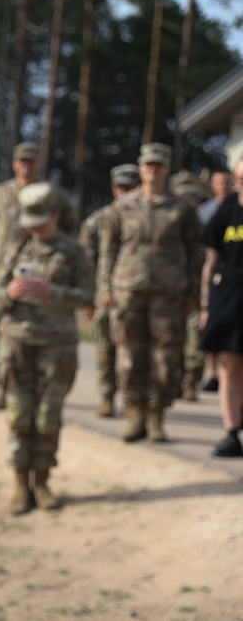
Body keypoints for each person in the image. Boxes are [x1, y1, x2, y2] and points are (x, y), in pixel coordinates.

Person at [0, 182, 94, 514]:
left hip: (57, 345)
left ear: (57, 215)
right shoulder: (15, 249)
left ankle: (42, 482)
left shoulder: (73, 252)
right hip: (17, 343)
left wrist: (53, 293)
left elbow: (88, 296)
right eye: (30, 219)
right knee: (20, 415)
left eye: (41, 219)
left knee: (48, 417)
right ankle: (20, 484)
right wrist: (10, 293)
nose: (34, 226)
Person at [98, 143, 203, 444]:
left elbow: (196, 251)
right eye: (147, 165)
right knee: (130, 354)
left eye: (158, 165)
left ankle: (156, 416)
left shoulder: (181, 207)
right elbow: (108, 249)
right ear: (141, 167)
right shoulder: (122, 206)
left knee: (166, 357)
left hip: (168, 293)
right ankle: (134, 414)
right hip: (128, 289)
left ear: (167, 168)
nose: (152, 169)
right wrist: (105, 286)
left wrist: (194, 290)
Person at [0, 141, 79, 408]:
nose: (26, 165)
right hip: (5, 271)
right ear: (14, 163)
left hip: (44, 271)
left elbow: (70, 228)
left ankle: (41, 388)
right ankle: (5, 386)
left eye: (31, 160)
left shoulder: (53, 195)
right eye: (21, 160)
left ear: (39, 164)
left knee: (40, 328)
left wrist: (66, 264)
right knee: (4, 330)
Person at [78, 163, 140, 417]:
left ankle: (132, 400)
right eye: (120, 187)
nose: (124, 192)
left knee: (133, 351)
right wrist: (88, 298)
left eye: (129, 187)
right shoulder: (97, 222)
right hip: (104, 296)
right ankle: (106, 396)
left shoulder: (142, 219)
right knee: (105, 349)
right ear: (113, 188)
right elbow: (84, 263)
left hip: (134, 296)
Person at [200, 158, 243, 457]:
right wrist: (206, 305)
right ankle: (231, 432)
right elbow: (210, 260)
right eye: (241, 177)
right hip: (228, 294)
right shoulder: (226, 210)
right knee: (229, 365)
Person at [169, 171, 214, 402]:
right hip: (172, 290)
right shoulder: (171, 224)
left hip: (198, 290)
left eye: (194, 198)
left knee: (195, 339)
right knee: (172, 338)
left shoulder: (207, 225)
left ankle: (191, 382)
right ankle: (174, 381)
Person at [197, 168, 234, 392]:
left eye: (227, 182)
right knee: (212, 330)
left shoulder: (235, 207)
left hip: (232, 277)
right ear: (212, 186)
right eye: (218, 182)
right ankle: (212, 374)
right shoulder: (205, 212)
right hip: (212, 274)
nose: (223, 186)